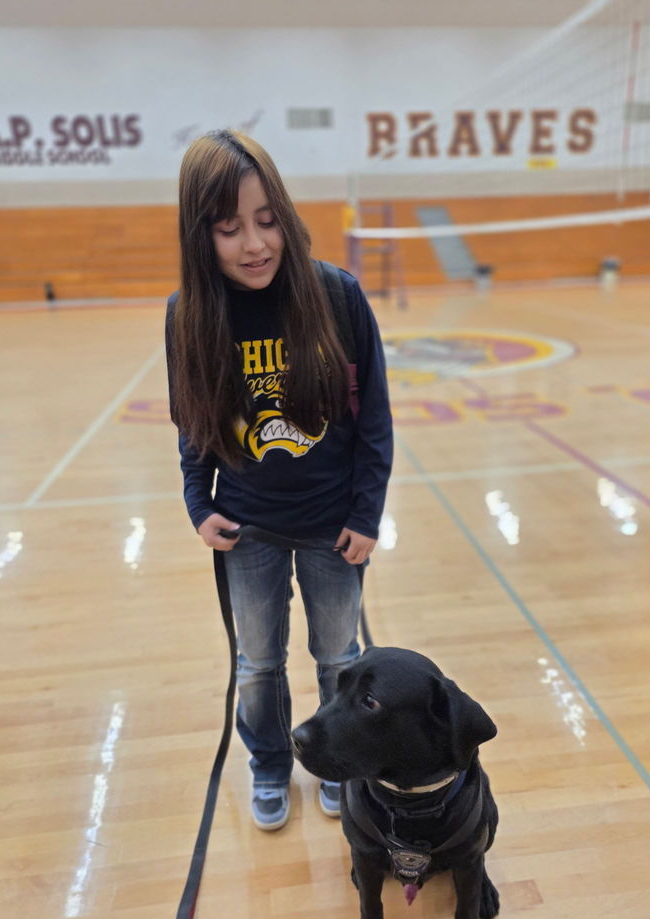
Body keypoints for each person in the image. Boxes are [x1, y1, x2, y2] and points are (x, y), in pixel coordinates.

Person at [165, 129, 393, 831]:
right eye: (230, 229)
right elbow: (193, 421)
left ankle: (338, 759)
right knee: (258, 663)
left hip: (333, 527)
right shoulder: (190, 316)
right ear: (201, 235)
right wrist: (197, 502)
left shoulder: (338, 296)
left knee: (339, 657)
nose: (255, 244)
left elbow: (375, 417)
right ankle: (268, 763)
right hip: (248, 529)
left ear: (286, 215)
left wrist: (366, 512)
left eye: (267, 221)